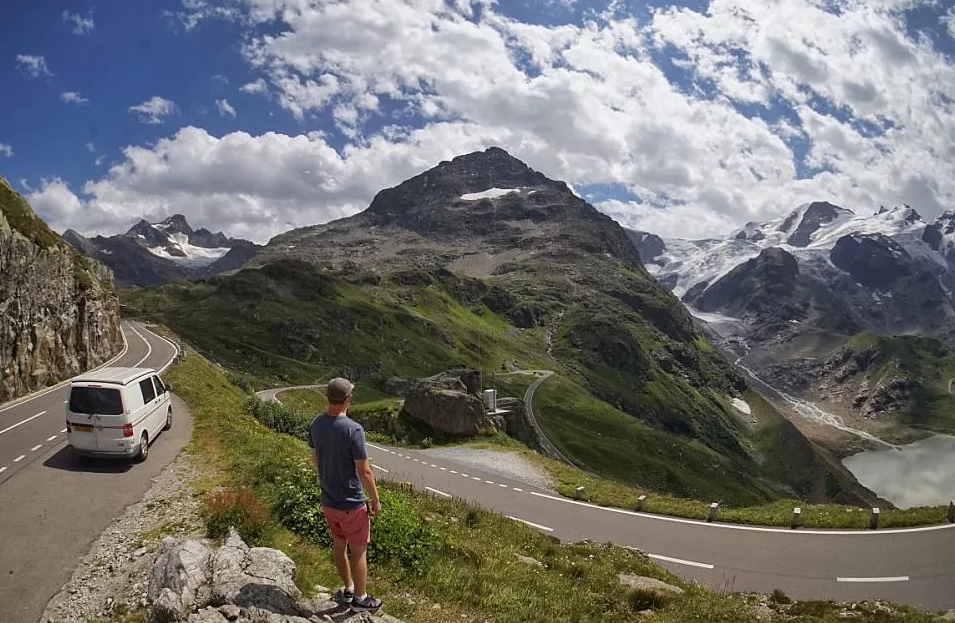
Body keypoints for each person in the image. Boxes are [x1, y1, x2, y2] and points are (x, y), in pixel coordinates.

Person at [307, 377, 383, 612]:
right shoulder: (353, 430)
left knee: (339, 545)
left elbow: (315, 459)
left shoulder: (316, 424)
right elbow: (364, 470)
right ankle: (361, 599)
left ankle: (348, 589)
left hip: (329, 501)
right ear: (348, 399)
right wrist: (375, 499)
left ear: (328, 397)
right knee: (358, 550)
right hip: (351, 502)